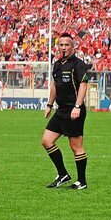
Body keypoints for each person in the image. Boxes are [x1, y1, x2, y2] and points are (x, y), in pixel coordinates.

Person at [41, 33, 91, 190]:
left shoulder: (78, 64)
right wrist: (49, 105)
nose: (63, 48)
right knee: (46, 141)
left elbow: (83, 85)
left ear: (73, 47)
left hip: (73, 110)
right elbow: (55, 85)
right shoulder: (57, 64)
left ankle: (81, 181)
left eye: (67, 45)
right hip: (60, 110)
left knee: (76, 147)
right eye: (61, 45)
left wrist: (77, 106)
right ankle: (63, 174)